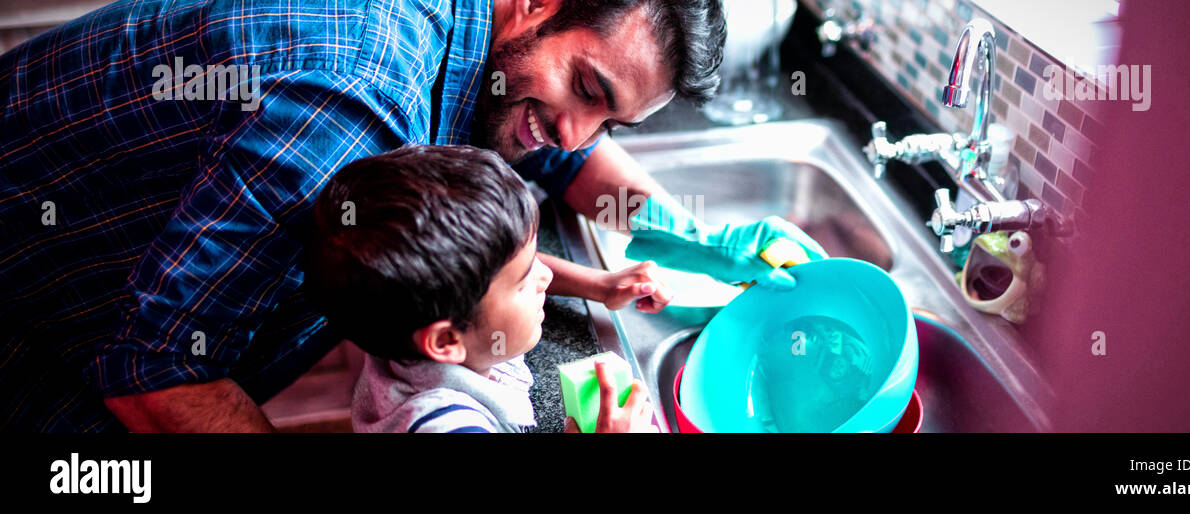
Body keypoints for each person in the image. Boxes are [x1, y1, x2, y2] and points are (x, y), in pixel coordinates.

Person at [0, 0, 824, 432]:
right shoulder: (355, 107)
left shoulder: (490, 41)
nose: (580, 133)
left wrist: (696, 233)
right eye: (589, 90)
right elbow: (158, 369)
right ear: (539, 3)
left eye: (612, 119)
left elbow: (558, 148)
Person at [307, 144, 654, 433]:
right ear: (445, 341)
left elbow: (499, 270)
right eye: (523, 282)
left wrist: (600, 284)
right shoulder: (443, 424)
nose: (545, 277)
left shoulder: (411, 321)